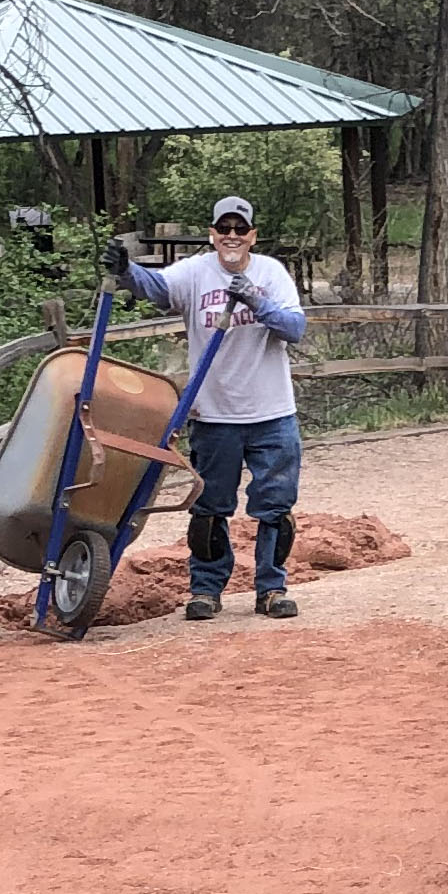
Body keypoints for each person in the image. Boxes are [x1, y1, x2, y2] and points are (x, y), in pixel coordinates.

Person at [112, 194, 311, 618]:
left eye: (241, 229)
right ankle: (205, 591)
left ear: (253, 235)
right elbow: (156, 287)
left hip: (272, 413)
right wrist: (126, 271)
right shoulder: (195, 273)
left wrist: (257, 301)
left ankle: (271, 589)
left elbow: (295, 328)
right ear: (213, 234)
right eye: (225, 229)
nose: (233, 236)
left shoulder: (271, 273)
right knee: (209, 507)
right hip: (214, 415)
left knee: (275, 506)